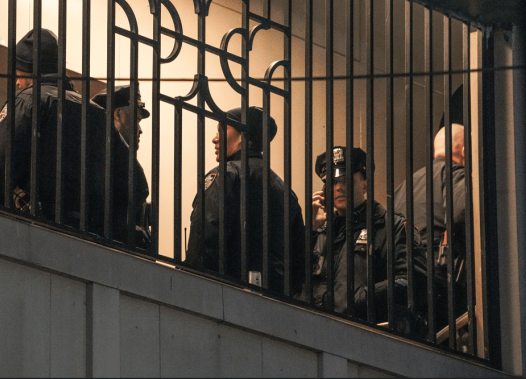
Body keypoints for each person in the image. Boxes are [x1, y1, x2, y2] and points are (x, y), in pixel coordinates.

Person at [0, 28, 148, 244]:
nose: (17, 83)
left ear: (31, 71)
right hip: (87, 238)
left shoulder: (28, 101)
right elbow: (136, 184)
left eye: (19, 74)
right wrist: (106, 225)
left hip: (35, 229)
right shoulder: (96, 114)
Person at [185, 107, 305, 297]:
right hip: (276, 303)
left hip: (226, 297)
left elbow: (204, 241)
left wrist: (190, 287)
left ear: (243, 137)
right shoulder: (284, 190)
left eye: (221, 130)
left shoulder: (226, 175)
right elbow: (299, 257)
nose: (215, 138)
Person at [310, 146, 427, 332]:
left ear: (365, 183)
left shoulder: (391, 226)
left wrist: (359, 299)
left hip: (368, 332)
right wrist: (311, 232)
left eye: (346, 180)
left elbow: (414, 280)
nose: (339, 187)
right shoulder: (320, 230)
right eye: (332, 182)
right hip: (317, 330)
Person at [394, 124, 468, 332]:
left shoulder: (406, 185)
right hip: (439, 282)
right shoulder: (454, 174)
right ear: (464, 150)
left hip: (406, 279)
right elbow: (462, 212)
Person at [92, 84, 152, 249]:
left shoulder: (113, 155)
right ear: (117, 114)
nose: (140, 130)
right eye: (137, 120)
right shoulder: (103, 155)